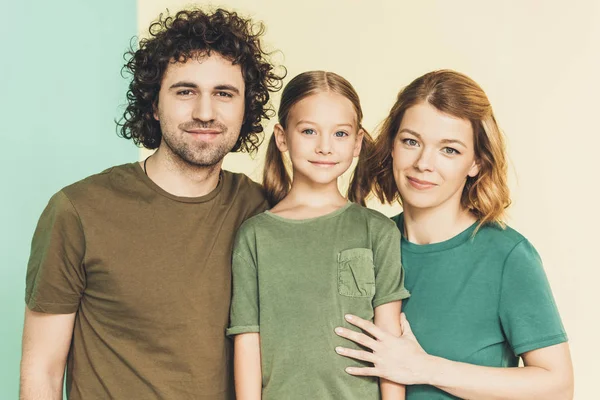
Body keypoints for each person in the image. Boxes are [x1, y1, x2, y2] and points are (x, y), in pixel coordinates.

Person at [20, 8, 284, 400]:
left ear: (246, 109)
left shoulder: (263, 210)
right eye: (185, 91)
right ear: (154, 104)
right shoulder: (78, 211)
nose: (205, 112)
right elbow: (41, 372)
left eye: (224, 94)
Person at [334, 70, 574, 399]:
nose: (423, 163)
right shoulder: (363, 244)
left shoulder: (506, 255)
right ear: (392, 146)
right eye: (411, 141)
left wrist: (423, 367)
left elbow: (557, 387)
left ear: (476, 162)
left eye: (449, 150)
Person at [226, 70, 410, 400]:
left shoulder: (377, 231)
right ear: (282, 137)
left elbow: (389, 341)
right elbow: (248, 339)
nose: (324, 147)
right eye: (309, 131)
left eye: (340, 134)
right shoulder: (255, 235)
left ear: (357, 143)